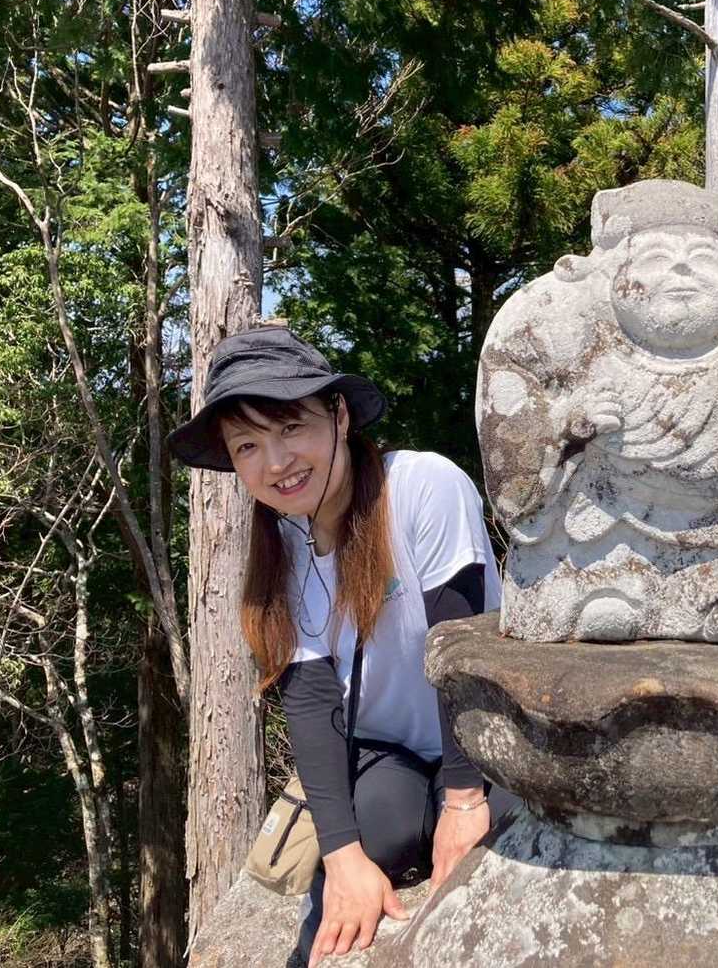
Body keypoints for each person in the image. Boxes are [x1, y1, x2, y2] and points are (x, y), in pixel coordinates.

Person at [168, 326, 515, 967]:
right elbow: (310, 700)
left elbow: (463, 648)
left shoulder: (422, 486)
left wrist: (465, 801)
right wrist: (343, 854)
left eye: (290, 426)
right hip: (390, 752)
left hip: (484, 740)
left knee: (504, 852)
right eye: (247, 446)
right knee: (367, 846)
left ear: (340, 415)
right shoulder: (284, 548)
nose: (276, 462)